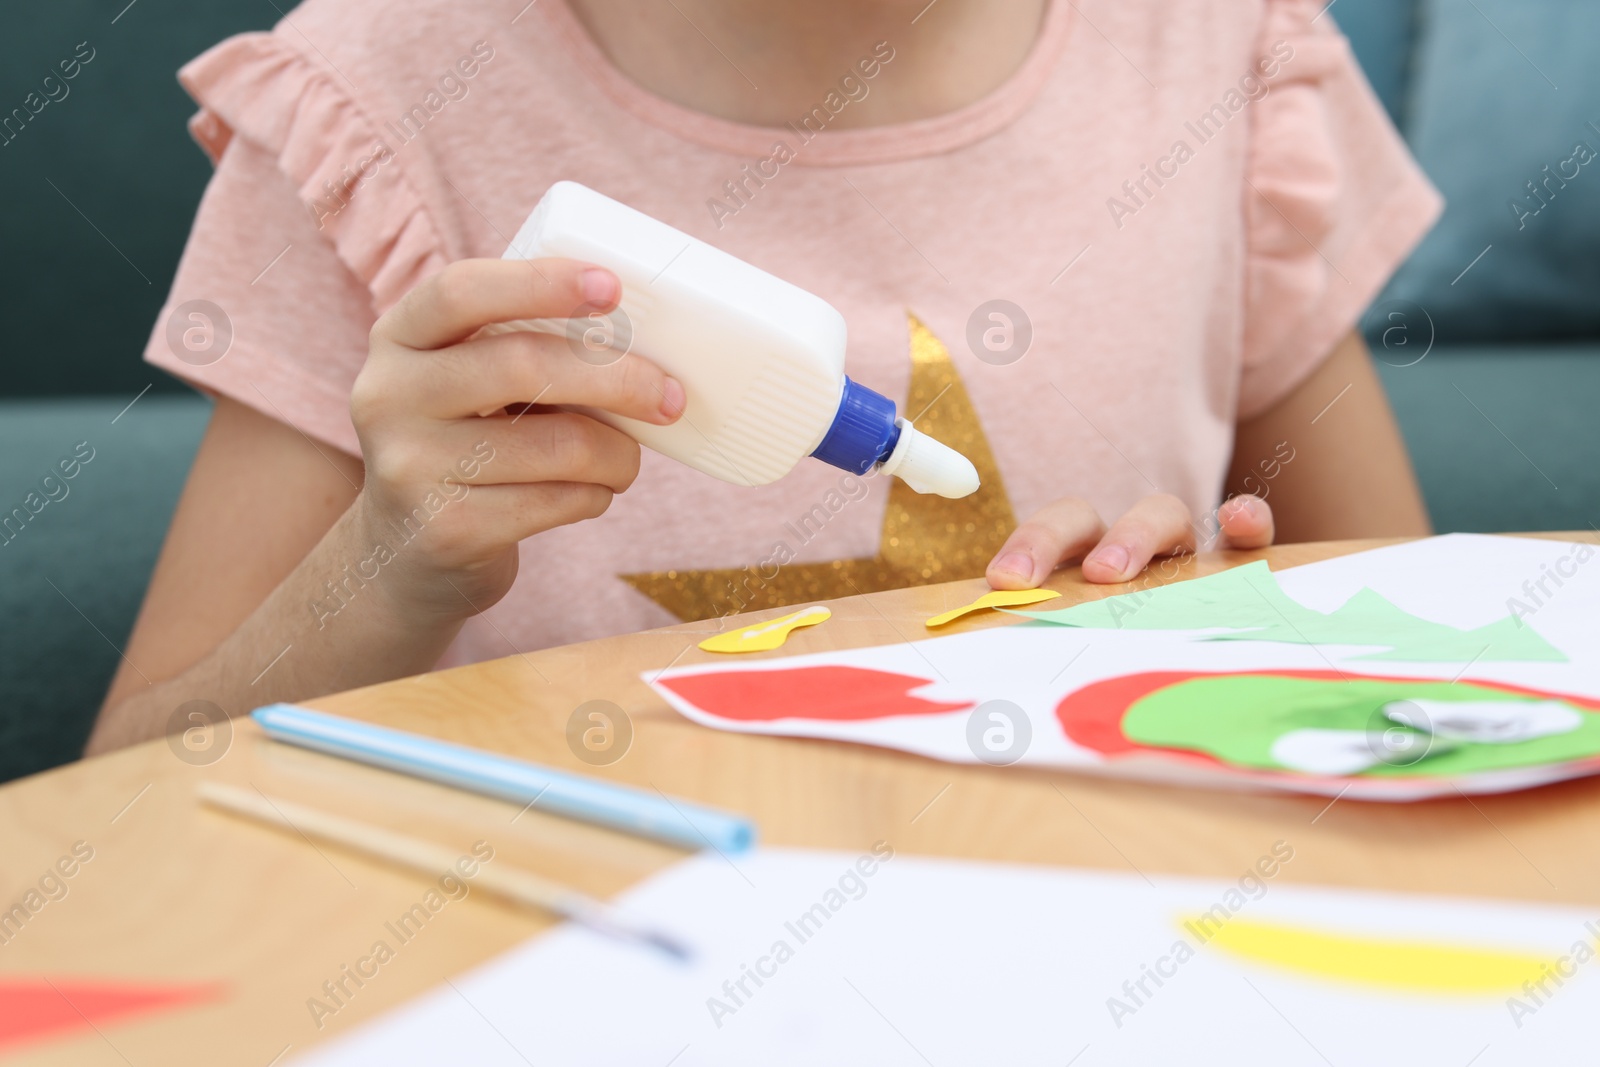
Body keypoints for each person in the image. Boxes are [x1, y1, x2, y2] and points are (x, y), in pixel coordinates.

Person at [87, 0, 1437, 753]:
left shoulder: (1220, 54)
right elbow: (125, 803)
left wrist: (1215, 631)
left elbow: (1427, 676)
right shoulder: (380, 96)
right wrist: (390, 566)